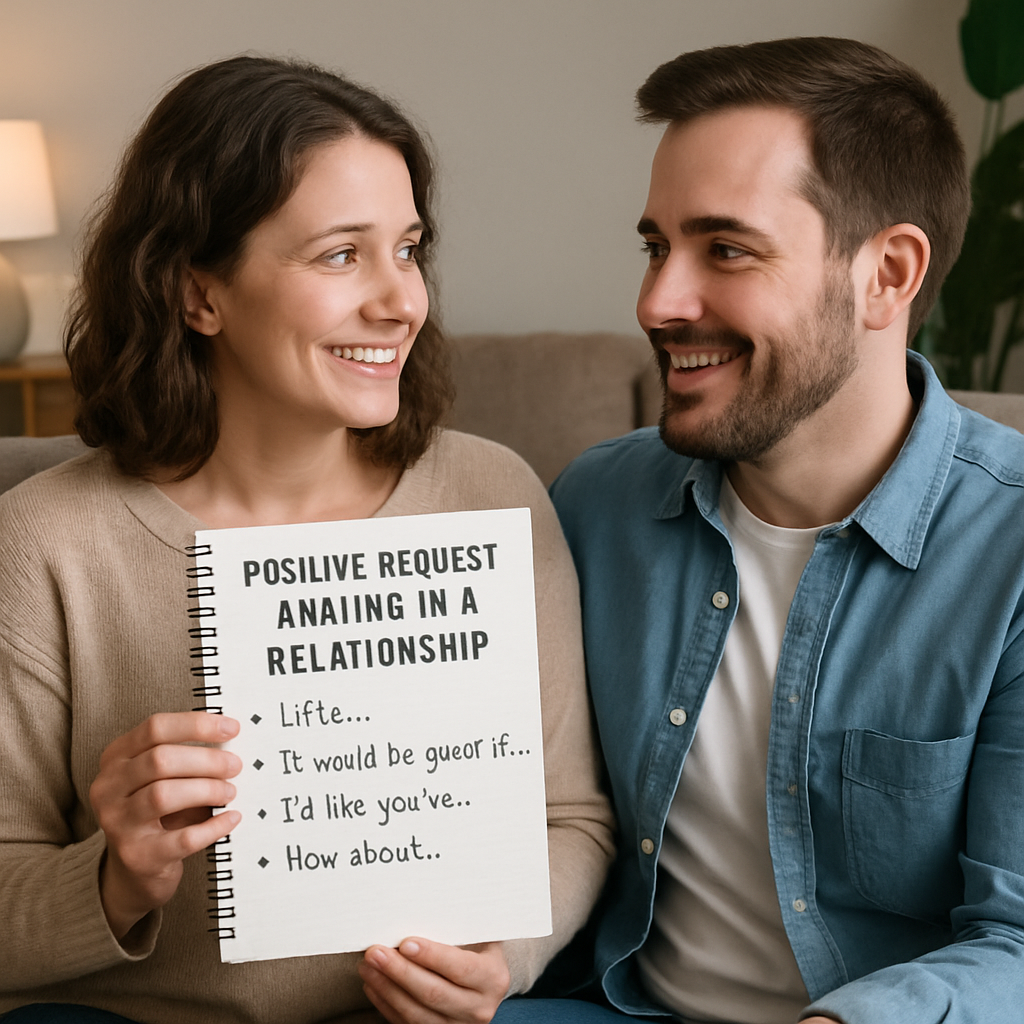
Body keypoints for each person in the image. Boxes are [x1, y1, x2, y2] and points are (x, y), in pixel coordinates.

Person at [0, 56, 614, 1024]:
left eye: (408, 249)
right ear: (197, 293)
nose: (399, 300)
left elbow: (569, 819)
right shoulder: (48, 539)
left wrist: (509, 955)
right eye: (340, 255)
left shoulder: (488, 492)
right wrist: (118, 875)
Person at [507, 36, 1024, 1024]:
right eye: (656, 246)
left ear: (888, 271)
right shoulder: (591, 509)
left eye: (726, 249)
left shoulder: (1009, 554)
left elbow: (1016, 938)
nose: (656, 301)